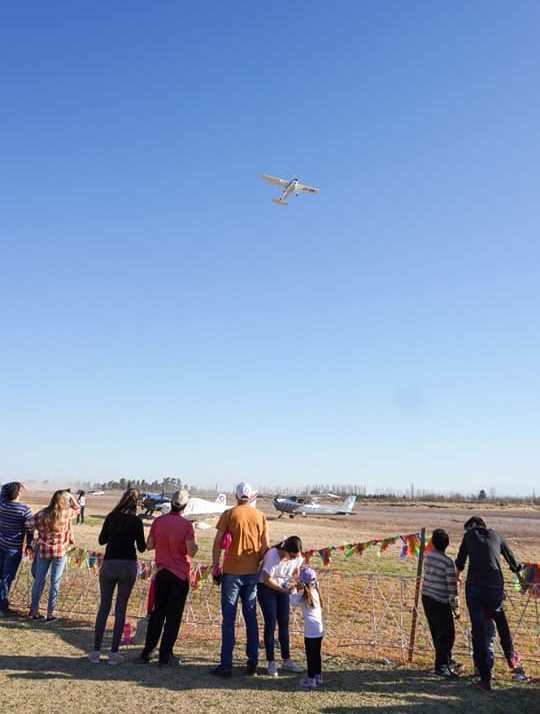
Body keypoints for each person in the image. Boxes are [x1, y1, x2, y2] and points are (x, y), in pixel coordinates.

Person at [455, 516, 522, 691]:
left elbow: (460, 562)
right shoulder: (497, 535)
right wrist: (520, 573)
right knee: (501, 622)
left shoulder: (469, 536)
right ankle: (511, 658)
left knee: (479, 632)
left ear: (472, 526)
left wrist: (457, 576)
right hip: (495, 587)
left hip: (475, 587)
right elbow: (513, 563)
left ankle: (485, 679)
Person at [211, 481, 269, 677]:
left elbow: (218, 542)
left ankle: (226, 664)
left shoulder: (229, 514)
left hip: (231, 572)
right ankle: (252, 661)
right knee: (250, 618)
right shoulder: (260, 516)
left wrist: (215, 566)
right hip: (252, 573)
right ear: (251, 496)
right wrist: (258, 563)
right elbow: (265, 547)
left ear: (236, 496)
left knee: (228, 619)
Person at [140, 489, 197, 666]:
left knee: (158, 612)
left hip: (162, 573)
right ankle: (166, 653)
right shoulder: (186, 526)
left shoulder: (158, 521)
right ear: (185, 506)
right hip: (179, 575)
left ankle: (148, 650)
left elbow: (149, 545)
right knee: (174, 616)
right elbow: (191, 551)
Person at [88, 488, 146, 665]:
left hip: (110, 564)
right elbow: (142, 547)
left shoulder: (111, 516)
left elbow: (101, 540)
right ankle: (113, 653)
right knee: (121, 608)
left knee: (104, 607)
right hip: (127, 565)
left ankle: (95, 652)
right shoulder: (136, 521)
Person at [29, 489, 80, 622]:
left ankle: (34, 611)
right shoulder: (66, 514)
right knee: (55, 582)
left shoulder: (42, 514)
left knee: (39, 581)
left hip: (44, 551)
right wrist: (71, 497)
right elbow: (77, 508)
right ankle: (50, 613)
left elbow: (28, 524)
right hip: (60, 552)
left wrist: (38, 534)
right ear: (64, 501)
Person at [257, 536, 304, 676]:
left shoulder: (296, 556)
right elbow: (266, 579)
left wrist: (296, 582)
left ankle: (287, 659)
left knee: (284, 623)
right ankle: (271, 662)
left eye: (296, 556)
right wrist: (284, 590)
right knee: (270, 623)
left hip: (283, 587)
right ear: (285, 550)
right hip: (266, 588)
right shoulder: (273, 555)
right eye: (291, 556)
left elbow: (296, 570)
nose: (292, 559)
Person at [421, 528, 460, 678]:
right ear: (447, 544)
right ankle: (441, 666)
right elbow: (452, 589)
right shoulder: (448, 562)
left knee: (437, 632)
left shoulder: (428, 556)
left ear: (433, 543)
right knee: (447, 635)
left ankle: (446, 660)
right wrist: (456, 609)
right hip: (440, 601)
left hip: (427, 597)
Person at [0, 482, 33, 616]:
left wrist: (14, 485)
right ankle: (1, 606)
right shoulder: (24, 509)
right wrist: (30, 544)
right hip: (13, 549)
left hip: (1, 544)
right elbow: (30, 529)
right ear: (18, 493)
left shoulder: (2, 505)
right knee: (7, 578)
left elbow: (2, 492)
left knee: (1, 576)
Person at [290, 567, 324, 689]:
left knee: (310, 655)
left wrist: (293, 590)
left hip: (310, 631)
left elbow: (292, 602)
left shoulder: (303, 594)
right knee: (316, 654)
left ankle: (311, 679)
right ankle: (318, 675)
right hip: (319, 630)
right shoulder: (315, 591)